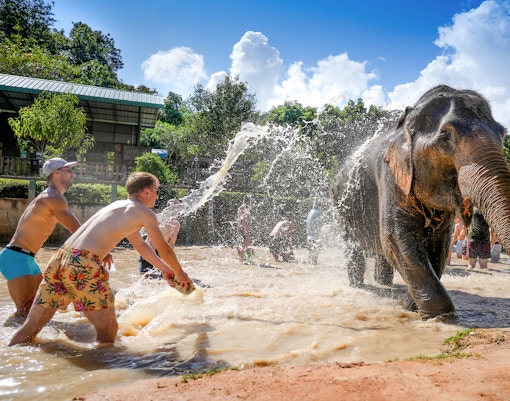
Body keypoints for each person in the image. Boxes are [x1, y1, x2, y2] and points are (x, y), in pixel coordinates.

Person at [9, 172, 193, 346]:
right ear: (146, 191)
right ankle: (100, 374)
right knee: (109, 330)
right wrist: (180, 273)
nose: (157, 195)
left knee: (31, 327)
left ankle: (10, 357)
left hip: (60, 258)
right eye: (156, 191)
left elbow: (142, 246)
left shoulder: (118, 207)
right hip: (83, 264)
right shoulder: (145, 213)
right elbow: (164, 249)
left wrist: (165, 270)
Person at [0, 157, 81, 320]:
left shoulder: (53, 196)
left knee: (40, 307)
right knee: (24, 312)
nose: (73, 173)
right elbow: (77, 229)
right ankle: (8, 343)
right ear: (56, 173)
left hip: (28, 258)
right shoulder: (53, 197)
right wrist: (98, 250)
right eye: (68, 170)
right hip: (15, 257)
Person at [139, 198, 182, 278]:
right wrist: (156, 259)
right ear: (167, 208)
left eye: (176, 207)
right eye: (171, 206)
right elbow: (150, 240)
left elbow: (171, 243)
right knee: (144, 277)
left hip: (162, 251)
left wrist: (169, 258)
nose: (173, 209)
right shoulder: (158, 220)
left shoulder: (176, 225)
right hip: (148, 250)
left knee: (162, 278)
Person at [306, 199, 323, 265]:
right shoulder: (318, 213)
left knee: (310, 257)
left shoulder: (310, 212)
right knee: (315, 259)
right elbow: (319, 224)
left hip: (309, 237)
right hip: (315, 237)